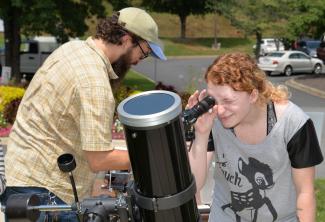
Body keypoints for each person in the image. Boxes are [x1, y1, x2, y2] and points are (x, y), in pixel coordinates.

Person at [1, 7, 166, 221]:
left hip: (21, 181)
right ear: (126, 39)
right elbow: (99, 159)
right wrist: (151, 158)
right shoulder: (94, 81)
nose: (139, 60)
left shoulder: (72, 49)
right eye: (143, 53)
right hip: (49, 194)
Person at [187, 53, 323, 222]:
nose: (220, 110)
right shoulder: (213, 119)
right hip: (227, 216)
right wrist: (201, 134)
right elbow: (194, 187)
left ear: (252, 95)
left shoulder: (293, 123)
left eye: (228, 101)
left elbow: (305, 193)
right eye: (214, 100)